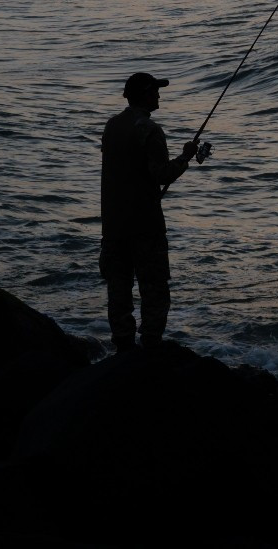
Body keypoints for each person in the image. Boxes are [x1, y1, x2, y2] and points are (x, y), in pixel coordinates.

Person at [101, 72, 206, 350]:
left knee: (119, 289)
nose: (159, 96)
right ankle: (150, 348)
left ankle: (122, 346)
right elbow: (162, 175)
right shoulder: (149, 129)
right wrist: (185, 156)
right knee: (154, 289)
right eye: (155, 91)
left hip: (113, 225)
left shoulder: (111, 126)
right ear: (144, 95)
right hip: (145, 225)